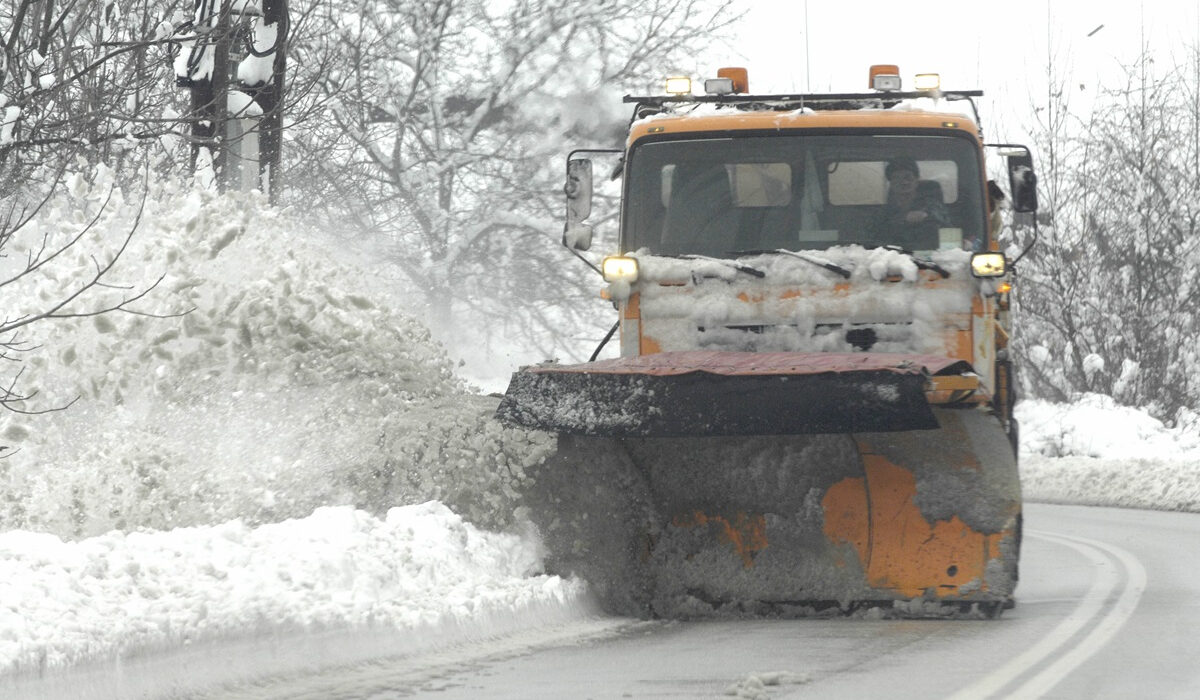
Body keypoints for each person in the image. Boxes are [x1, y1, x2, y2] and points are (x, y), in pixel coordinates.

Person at [872, 156, 948, 250]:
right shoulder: (884, 212)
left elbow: (946, 227)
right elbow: (875, 237)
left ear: (916, 180)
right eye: (897, 178)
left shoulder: (931, 206)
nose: (903, 182)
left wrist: (927, 218)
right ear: (891, 183)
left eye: (908, 177)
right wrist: (903, 219)